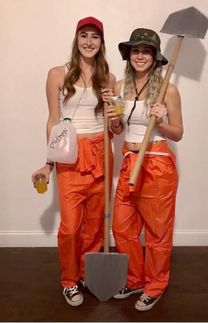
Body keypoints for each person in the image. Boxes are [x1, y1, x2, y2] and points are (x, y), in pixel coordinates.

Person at [32, 16, 116, 307]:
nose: (89, 42)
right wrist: (48, 162)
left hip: (101, 153)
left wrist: (112, 107)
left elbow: (113, 127)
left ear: (101, 43)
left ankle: (85, 273)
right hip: (70, 156)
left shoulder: (108, 78)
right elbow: (53, 120)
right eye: (84, 36)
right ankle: (69, 280)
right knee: (70, 226)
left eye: (95, 37)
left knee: (95, 225)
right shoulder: (57, 73)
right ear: (76, 39)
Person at [107, 28, 183, 311]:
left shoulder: (168, 91)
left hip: (157, 163)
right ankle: (135, 278)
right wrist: (113, 120)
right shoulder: (119, 89)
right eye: (136, 50)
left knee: (157, 232)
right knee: (122, 227)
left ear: (155, 56)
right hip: (130, 161)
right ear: (129, 55)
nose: (140, 56)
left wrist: (161, 121)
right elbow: (116, 129)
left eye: (146, 51)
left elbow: (177, 133)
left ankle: (155, 285)